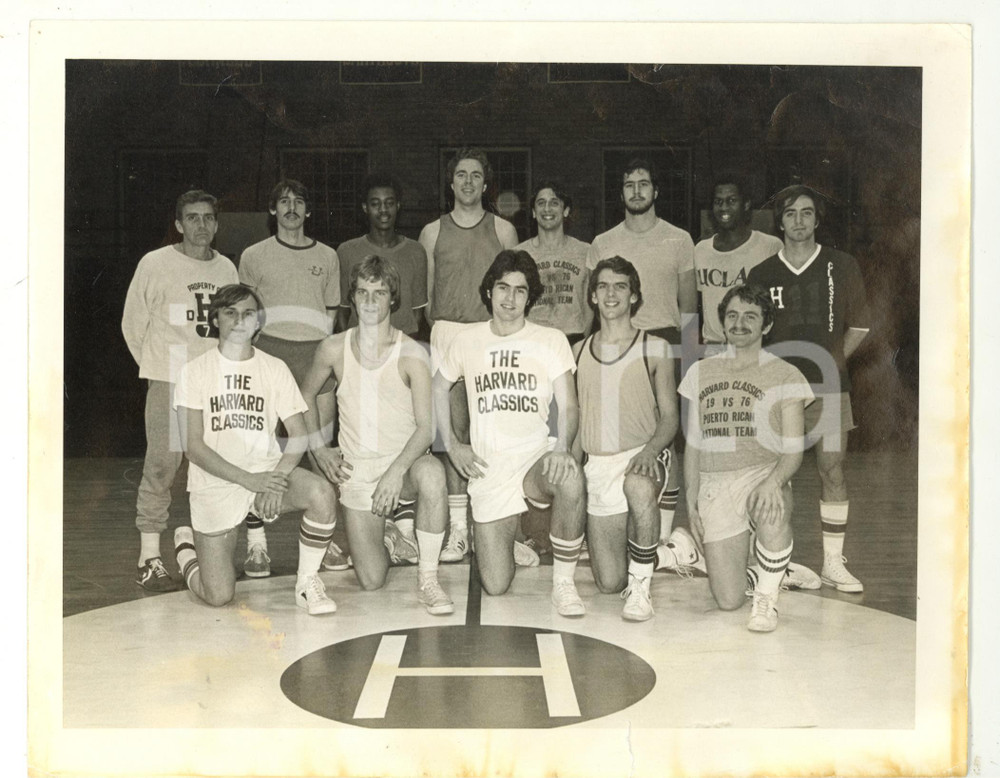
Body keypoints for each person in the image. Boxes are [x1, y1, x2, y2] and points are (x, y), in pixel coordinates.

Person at [434, 250, 587, 616]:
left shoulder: (550, 340)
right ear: (489, 291)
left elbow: (568, 405)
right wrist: (453, 446)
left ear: (530, 296)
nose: (510, 298)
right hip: (490, 469)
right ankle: (511, 541)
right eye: (503, 287)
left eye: (520, 290)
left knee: (569, 479)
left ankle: (564, 584)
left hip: (535, 458)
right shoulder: (467, 340)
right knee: (496, 585)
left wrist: (563, 447)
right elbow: (438, 388)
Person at [172, 284, 338, 615]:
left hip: (265, 473)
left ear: (259, 322)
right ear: (215, 319)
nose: (239, 320)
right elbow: (193, 447)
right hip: (217, 481)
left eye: (248, 313)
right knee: (217, 595)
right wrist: (250, 481)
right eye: (229, 312)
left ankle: (307, 582)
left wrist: (274, 478)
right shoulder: (194, 371)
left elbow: (298, 435)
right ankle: (186, 549)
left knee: (321, 494)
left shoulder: (273, 368)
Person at [300, 257, 454, 615]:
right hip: (358, 470)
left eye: (379, 293)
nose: (370, 301)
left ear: (392, 299)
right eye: (363, 292)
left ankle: (428, 579)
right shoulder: (333, 348)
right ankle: (392, 536)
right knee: (370, 580)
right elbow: (305, 395)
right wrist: (320, 448)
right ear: (351, 298)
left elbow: (426, 428)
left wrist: (395, 472)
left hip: (404, 466)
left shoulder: (412, 352)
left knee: (433, 475)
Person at [747, 185, 871, 593]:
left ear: (817, 219)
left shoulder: (842, 265)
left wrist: (832, 361)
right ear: (779, 221)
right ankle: (772, 563)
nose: (798, 221)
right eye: (790, 214)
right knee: (773, 474)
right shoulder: (762, 274)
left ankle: (834, 563)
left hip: (830, 390)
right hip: (779, 394)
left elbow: (860, 326)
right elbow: (753, 333)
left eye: (806, 213)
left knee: (832, 469)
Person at [122, 189, 239, 592]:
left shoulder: (227, 269)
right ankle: (149, 557)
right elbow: (132, 325)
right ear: (178, 223)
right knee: (162, 465)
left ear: (217, 224)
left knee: (209, 467)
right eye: (192, 218)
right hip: (171, 380)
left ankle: (204, 550)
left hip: (212, 385)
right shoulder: (155, 263)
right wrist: (159, 366)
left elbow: (234, 326)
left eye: (208, 218)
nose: (201, 225)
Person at [679, 284, 814, 632]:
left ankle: (767, 597)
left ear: (766, 326)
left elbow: (793, 449)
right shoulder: (700, 372)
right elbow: (693, 444)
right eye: (733, 316)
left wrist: (773, 482)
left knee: (772, 505)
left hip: (762, 472)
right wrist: (691, 502)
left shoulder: (786, 374)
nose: (740, 324)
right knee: (727, 600)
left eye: (751, 317)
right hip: (715, 481)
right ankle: (767, 568)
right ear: (722, 323)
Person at [586, 157, 696, 546]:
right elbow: (595, 299)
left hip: (663, 340)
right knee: (621, 435)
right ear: (621, 194)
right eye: (629, 184)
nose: (637, 190)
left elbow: (689, 309)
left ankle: (663, 537)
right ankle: (623, 518)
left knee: (668, 435)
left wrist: (691, 362)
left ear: (655, 191)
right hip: (616, 342)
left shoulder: (679, 239)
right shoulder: (603, 242)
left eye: (643, 183)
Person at [419, 147, 519, 562]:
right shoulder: (431, 232)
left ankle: (494, 523)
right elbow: (426, 298)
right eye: (461, 174)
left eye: (475, 175)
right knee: (453, 434)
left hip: (490, 334)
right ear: (451, 181)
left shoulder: (504, 230)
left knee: (495, 429)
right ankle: (459, 529)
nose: (467, 182)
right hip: (446, 331)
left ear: (485, 182)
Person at [237, 179, 341, 577]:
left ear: (309, 211)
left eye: (299, 201)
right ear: (273, 210)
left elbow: (331, 313)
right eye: (284, 201)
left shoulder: (328, 256)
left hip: (314, 353)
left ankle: (323, 541)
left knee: (320, 448)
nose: (292, 207)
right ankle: (257, 544)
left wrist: (318, 352)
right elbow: (245, 312)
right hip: (269, 352)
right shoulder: (253, 255)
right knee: (260, 450)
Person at [572, 257, 678, 621]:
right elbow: (576, 420)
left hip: (642, 456)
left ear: (634, 296)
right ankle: (670, 552)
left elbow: (670, 417)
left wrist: (651, 451)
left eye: (620, 286)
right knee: (607, 583)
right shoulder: (578, 351)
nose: (611, 293)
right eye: (603, 286)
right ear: (592, 296)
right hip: (598, 465)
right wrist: (572, 471)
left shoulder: (656, 347)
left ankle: (642, 589)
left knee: (637, 486)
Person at [336, 173, 428, 338]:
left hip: (401, 349)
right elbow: (343, 311)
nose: (383, 210)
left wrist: (401, 349)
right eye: (375, 204)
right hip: (360, 349)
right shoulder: (347, 251)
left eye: (389, 203)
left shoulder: (416, 251)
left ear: (398, 205)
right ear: (365, 207)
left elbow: (417, 313)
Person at [695, 177, 784, 347]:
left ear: (746, 204)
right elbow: (696, 307)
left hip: (753, 348)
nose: (724, 208)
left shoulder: (770, 246)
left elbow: (779, 308)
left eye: (732, 201)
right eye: (718, 202)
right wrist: (690, 353)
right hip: (713, 348)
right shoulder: (701, 250)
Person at [515, 181, 592, 345]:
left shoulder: (585, 251)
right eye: (541, 203)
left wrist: (582, 341)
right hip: (532, 341)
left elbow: (589, 302)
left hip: (573, 338)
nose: (547, 209)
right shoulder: (519, 254)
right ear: (534, 212)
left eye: (554, 203)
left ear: (566, 210)